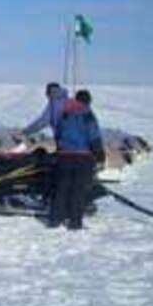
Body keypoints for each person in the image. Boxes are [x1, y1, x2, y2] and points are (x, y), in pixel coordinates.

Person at [49, 89, 104, 230]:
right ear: (87, 101)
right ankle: (75, 222)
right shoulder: (88, 115)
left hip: (64, 156)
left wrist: (61, 147)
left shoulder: (65, 113)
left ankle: (55, 220)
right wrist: (99, 154)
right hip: (82, 156)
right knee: (78, 190)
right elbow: (94, 135)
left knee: (62, 188)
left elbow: (58, 133)